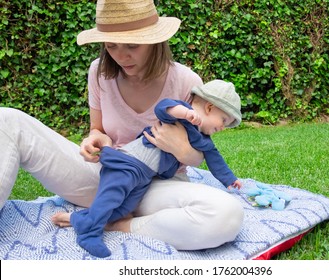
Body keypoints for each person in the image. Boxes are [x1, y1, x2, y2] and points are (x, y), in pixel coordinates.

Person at [0, 0, 244, 252]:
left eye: (132, 45)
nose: (120, 56)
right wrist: (95, 140)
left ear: (155, 42)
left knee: (227, 214)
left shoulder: (186, 80)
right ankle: (106, 213)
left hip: (157, 187)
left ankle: (112, 224)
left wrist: (181, 150)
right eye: (111, 45)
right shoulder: (99, 72)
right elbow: (98, 129)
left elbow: (198, 154)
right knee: (7, 120)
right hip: (107, 173)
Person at [53, 80, 243, 257]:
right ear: (209, 108)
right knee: (110, 197)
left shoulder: (204, 140)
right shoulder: (183, 114)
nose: (223, 128)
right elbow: (163, 108)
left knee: (125, 208)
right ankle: (88, 235)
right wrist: (184, 113)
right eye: (224, 121)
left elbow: (215, 160)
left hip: (146, 177)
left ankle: (81, 219)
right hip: (128, 163)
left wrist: (229, 179)